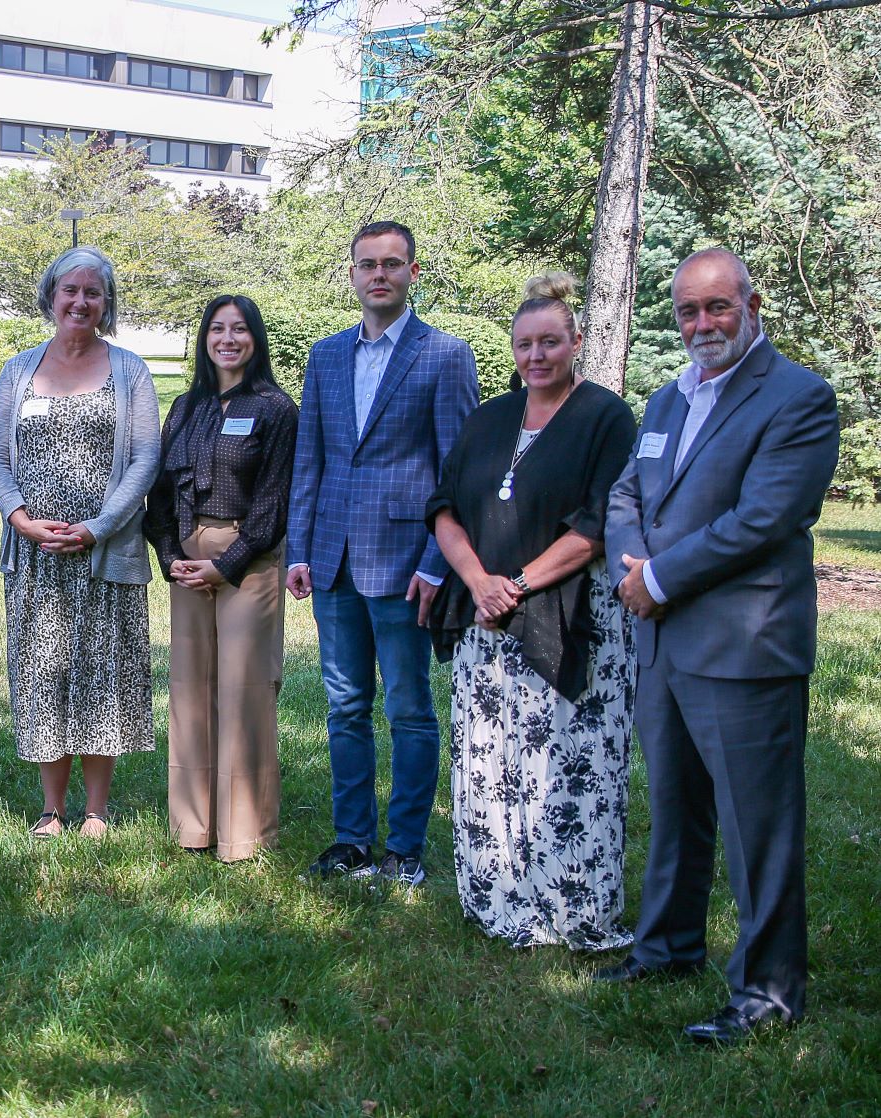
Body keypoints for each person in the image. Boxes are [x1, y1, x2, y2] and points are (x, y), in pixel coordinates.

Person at [596, 249, 839, 1045]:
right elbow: (627, 491)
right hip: (663, 641)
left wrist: (657, 576)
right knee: (676, 808)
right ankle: (667, 948)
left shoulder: (799, 398)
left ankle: (769, 993)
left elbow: (765, 520)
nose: (702, 325)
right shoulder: (668, 400)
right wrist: (636, 566)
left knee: (756, 826)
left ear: (753, 304)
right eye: (688, 312)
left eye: (718, 309)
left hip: (743, 645)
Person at [425, 272, 638, 947]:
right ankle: (497, 899)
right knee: (490, 759)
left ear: (577, 342)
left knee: (569, 762)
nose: (537, 355)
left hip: (571, 615)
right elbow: (444, 508)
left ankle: (572, 908)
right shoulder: (489, 418)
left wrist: (513, 584)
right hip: (485, 615)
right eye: (525, 344)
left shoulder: (605, 416)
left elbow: (597, 524)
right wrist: (479, 582)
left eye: (551, 342)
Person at [287, 220, 478, 886]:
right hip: (333, 558)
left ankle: (405, 847)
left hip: (405, 564)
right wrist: (300, 547)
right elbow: (310, 457)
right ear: (352, 274)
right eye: (367, 264)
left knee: (408, 708)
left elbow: (457, 470)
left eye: (393, 264)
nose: (380, 274)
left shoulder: (444, 356)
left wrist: (436, 561)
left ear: (413, 273)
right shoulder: (327, 356)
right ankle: (352, 841)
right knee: (344, 706)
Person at [0, 246, 161, 838]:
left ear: (106, 304)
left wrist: (95, 528)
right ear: (50, 297)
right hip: (34, 554)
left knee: (101, 676)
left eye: (93, 292)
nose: (80, 301)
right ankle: (51, 809)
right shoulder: (18, 370)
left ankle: (96, 811)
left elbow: (143, 460)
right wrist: (20, 519)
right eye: (70, 290)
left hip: (101, 553)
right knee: (43, 673)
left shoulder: (130, 371)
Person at [144, 295, 297, 862]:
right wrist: (170, 555)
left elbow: (275, 499)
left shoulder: (275, 408)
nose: (227, 338)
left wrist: (225, 564)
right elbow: (158, 491)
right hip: (187, 559)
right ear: (204, 339)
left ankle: (243, 834)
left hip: (248, 562)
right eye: (217, 328)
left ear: (255, 339)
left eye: (239, 329)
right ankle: (193, 827)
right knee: (189, 691)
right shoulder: (185, 406)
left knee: (243, 692)